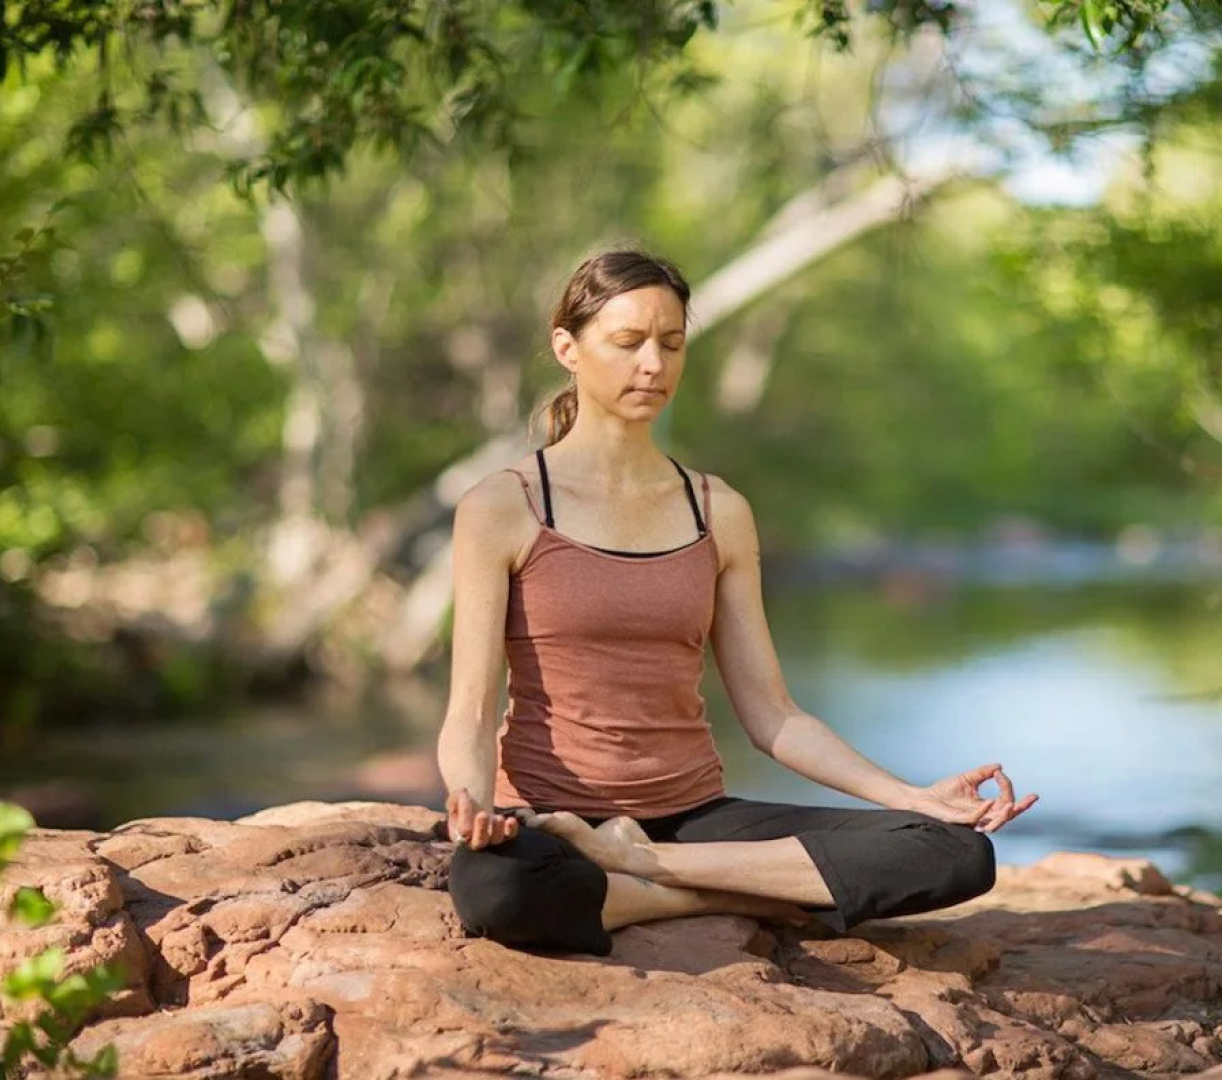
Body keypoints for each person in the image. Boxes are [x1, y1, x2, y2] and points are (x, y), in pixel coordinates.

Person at [436, 250, 1038, 956]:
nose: (653, 365)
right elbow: (471, 711)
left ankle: (642, 872)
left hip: (694, 819)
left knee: (953, 852)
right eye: (628, 342)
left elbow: (773, 716)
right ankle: (733, 891)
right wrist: (473, 806)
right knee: (498, 890)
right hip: (551, 820)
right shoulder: (502, 506)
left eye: (671, 343)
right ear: (567, 349)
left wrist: (912, 797)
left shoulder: (717, 509)